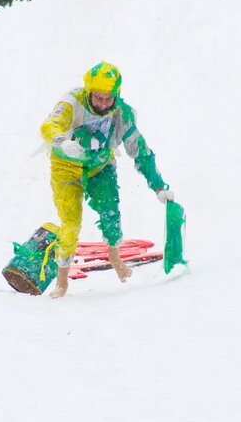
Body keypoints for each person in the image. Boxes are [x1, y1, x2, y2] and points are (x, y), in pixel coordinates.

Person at [40, 61, 175, 298]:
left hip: (100, 166)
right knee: (71, 225)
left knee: (111, 212)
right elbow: (49, 125)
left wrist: (158, 186)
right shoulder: (72, 102)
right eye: (98, 98)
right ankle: (62, 282)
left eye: (108, 98)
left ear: (116, 95)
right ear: (89, 92)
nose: (103, 104)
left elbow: (140, 151)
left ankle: (115, 256)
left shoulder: (122, 114)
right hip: (65, 167)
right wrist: (63, 142)